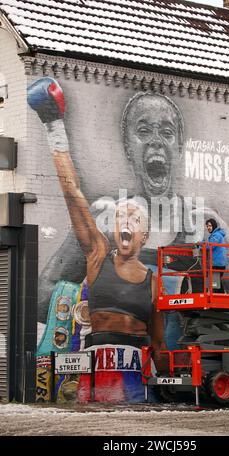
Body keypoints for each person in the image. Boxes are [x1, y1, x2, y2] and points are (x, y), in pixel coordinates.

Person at [28, 77, 166, 402]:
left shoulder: (154, 282)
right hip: (94, 375)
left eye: (133, 218)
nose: (125, 221)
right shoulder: (98, 254)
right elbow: (72, 193)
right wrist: (53, 124)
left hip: (134, 380)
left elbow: (158, 343)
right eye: (120, 217)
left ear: (144, 234)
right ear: (114, 230)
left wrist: (172, 381)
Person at [206, 218, 228, 293]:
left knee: (215, 282)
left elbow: (210, 246)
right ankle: (221, 295)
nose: (208, 227)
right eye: (207, 226)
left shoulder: (216, 235)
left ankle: (221, 296)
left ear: (214, 226)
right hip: (219, 262)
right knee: (215, 282)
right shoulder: (217, 235)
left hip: (217, 263)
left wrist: (200, 245)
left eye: (210, 226)